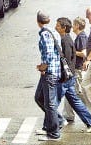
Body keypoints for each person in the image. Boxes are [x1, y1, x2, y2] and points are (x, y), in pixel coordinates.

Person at [56, 17, 91, 133]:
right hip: (71, 74)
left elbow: (68, 58)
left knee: (51, 102)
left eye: (58, 25)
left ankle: (54, 126)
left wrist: (63, 74)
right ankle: (87, 120)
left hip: (72, 73)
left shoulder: (74, 38)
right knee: (74, 99)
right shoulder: (69, 38)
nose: (56, 27)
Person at [34, 10, 62, 141]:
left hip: (50, 73)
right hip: (50, 72)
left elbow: (49, 55)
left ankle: (54, 133)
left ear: (38, 21)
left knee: (50, 103)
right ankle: (54, 122)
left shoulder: (45, 34)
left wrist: (42, 67)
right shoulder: (53, 32)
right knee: (39, 97)